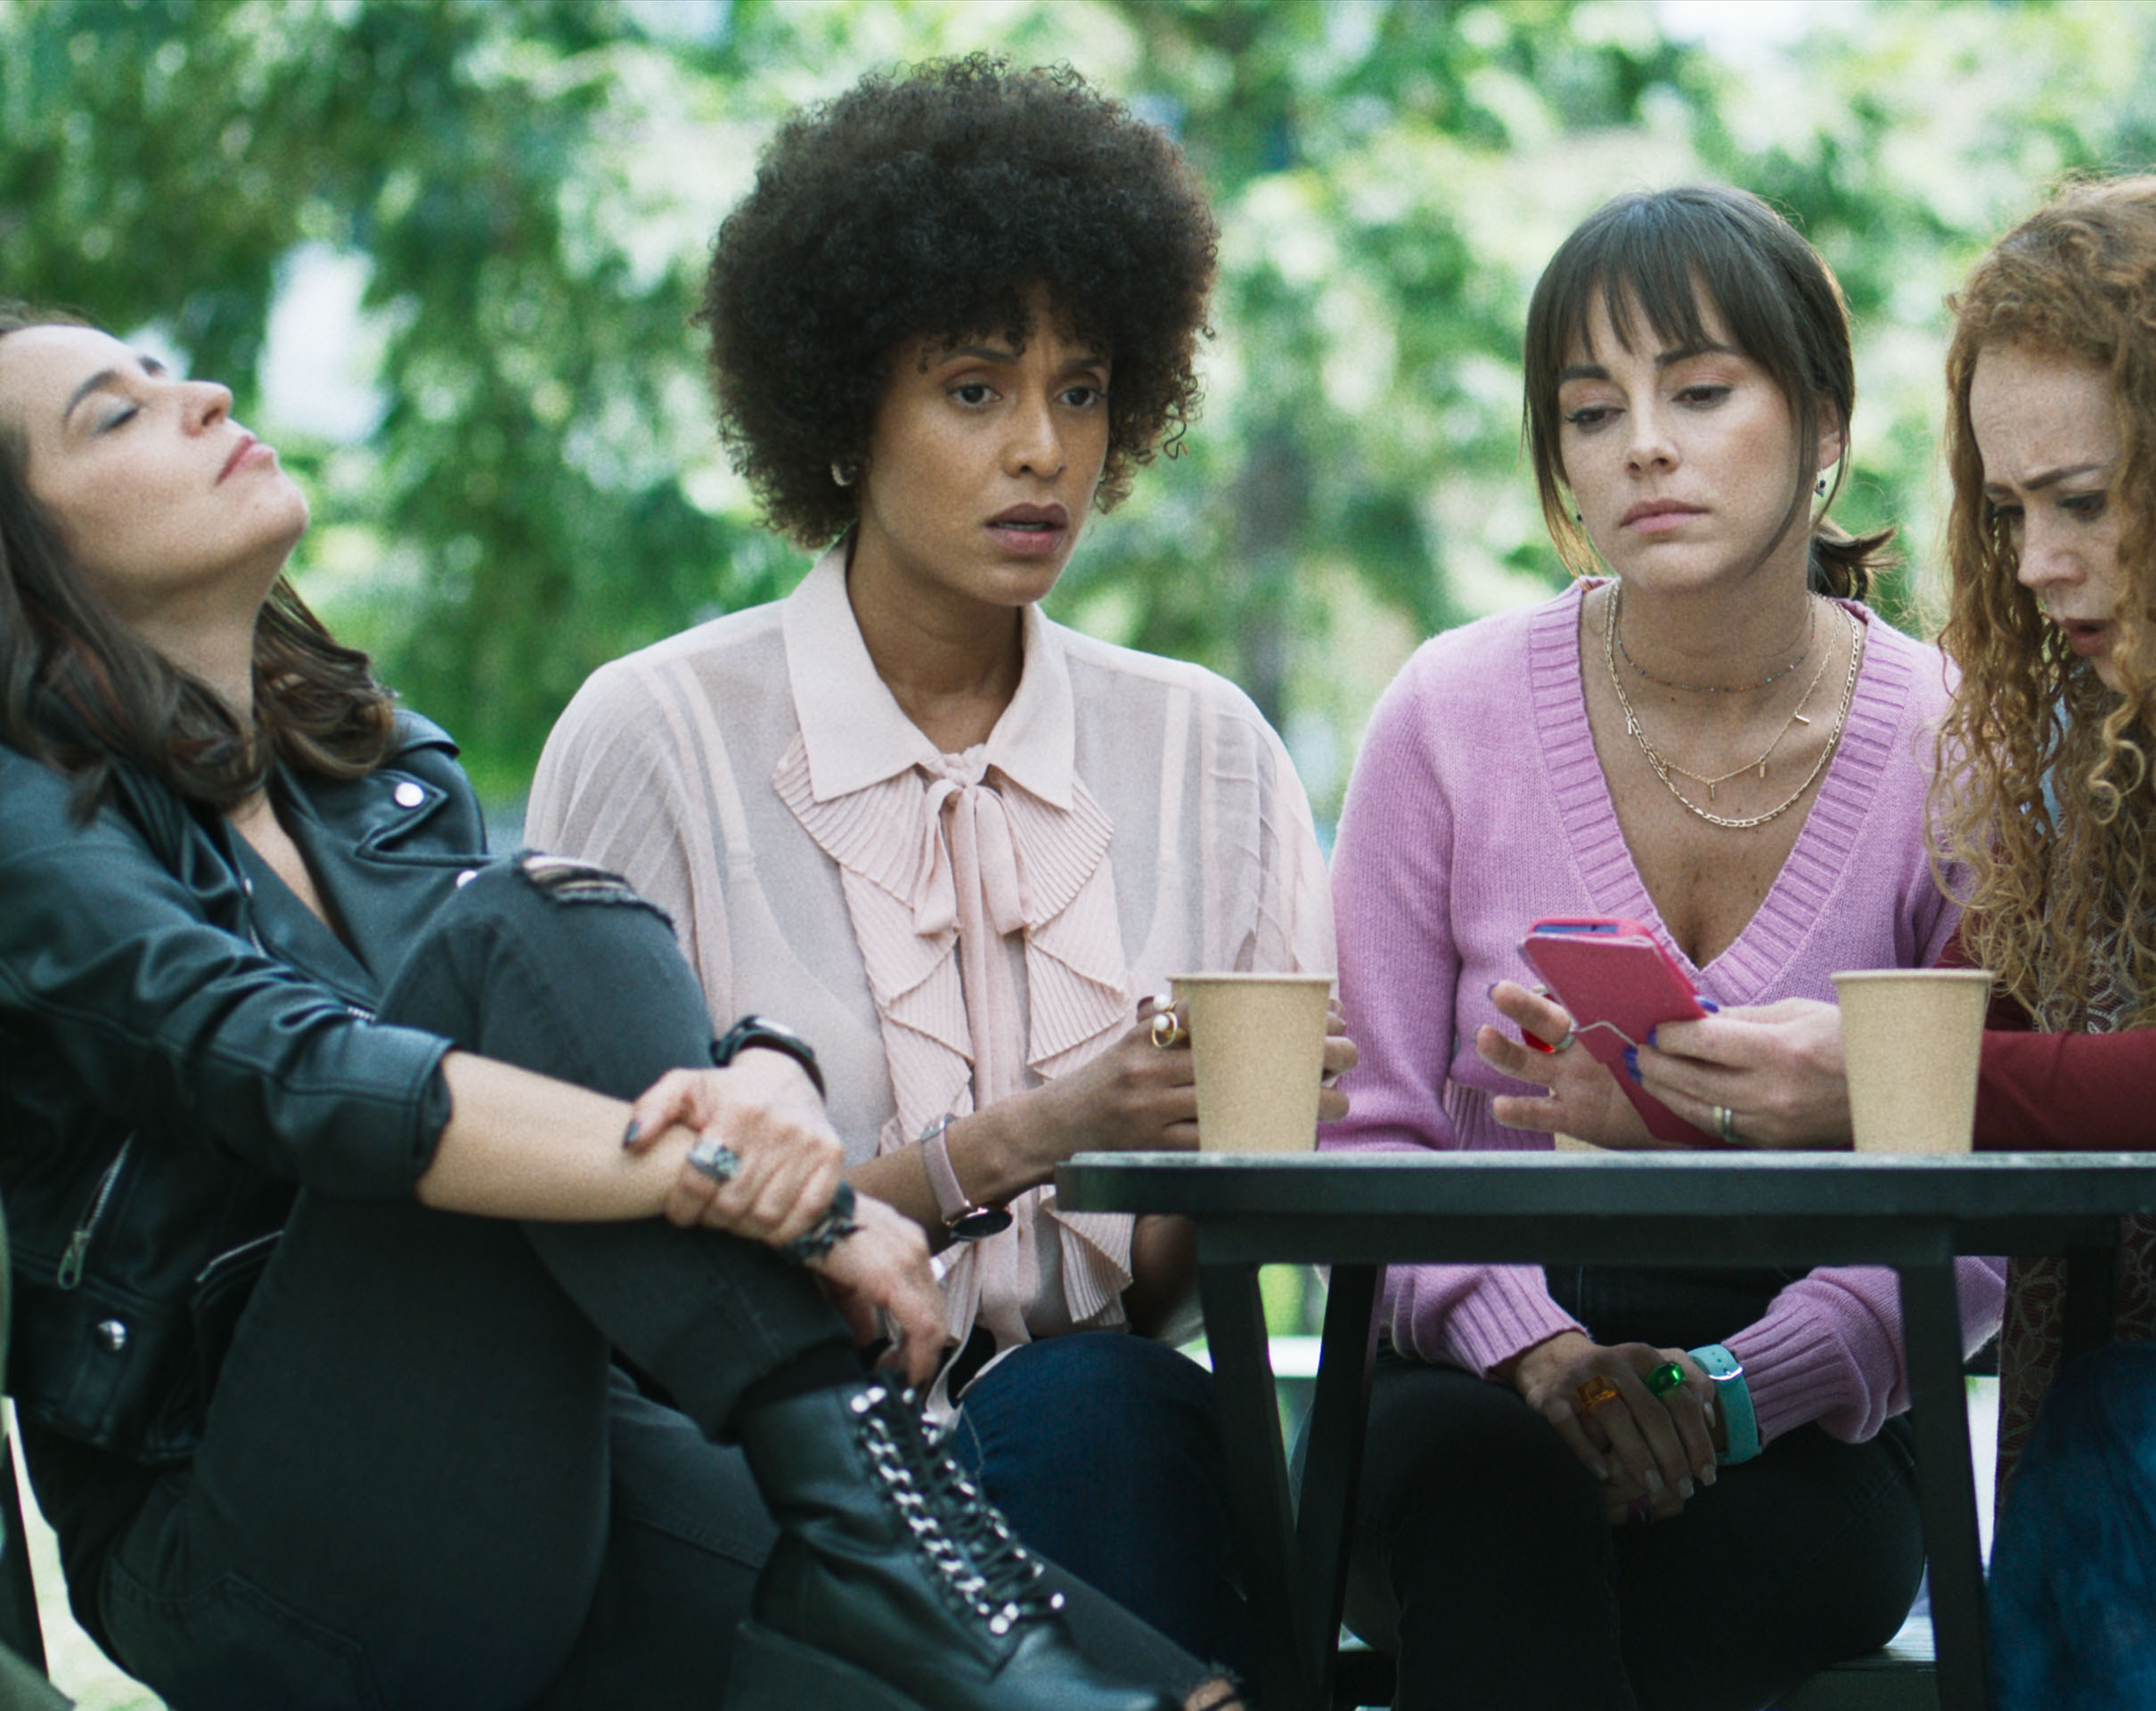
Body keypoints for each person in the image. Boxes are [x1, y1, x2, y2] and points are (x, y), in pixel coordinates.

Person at [0, 306, 1234, 1711]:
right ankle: (872, 1515)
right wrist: (788, 1201)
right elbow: (300, 1071)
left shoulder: (376, 776)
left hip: (536, 1454)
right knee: (536, 921)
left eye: (169, 378)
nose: (205, 395)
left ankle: (890, 1542)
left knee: (1101, 1684)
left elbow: (574, 1021)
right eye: (119, 414)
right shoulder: (26, 827)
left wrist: (760, 1071)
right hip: (241, 1540)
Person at [527, 55, 1342, 1678]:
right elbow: (606, 1234)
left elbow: (1188, 1284)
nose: (1045, 451)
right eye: (975, 391)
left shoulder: (1206, 748)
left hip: (1108, 1457)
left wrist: (1234, 1132)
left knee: (1087, 1399)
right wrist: (1033, 1135)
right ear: (844, 408)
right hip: (770, 1473)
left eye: (1086, 389)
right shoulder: (661, 736)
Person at [1315, 184, 2004, 1711]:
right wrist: (1540, 1353)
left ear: (1822, 420)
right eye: (1587, 407)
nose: (1642, 444)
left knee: (1705, 1581)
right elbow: (1365, 1132)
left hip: (1814, 1411)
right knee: (1502, 1520)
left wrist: (1749, 1387)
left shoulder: (1956, 744)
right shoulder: (1447, 713)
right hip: (1465, 1383)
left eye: (1699, 390)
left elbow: (1991, 1183)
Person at [1602, 176, 2156, 1710]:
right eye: (2012, 508)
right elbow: (2012, 1069)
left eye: (2088, 502)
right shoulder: (2075, 757)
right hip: (2146, 1498)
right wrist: (1697, 1091)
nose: (2038, 562)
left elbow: (2025, 1086)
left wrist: (1926, 1085)